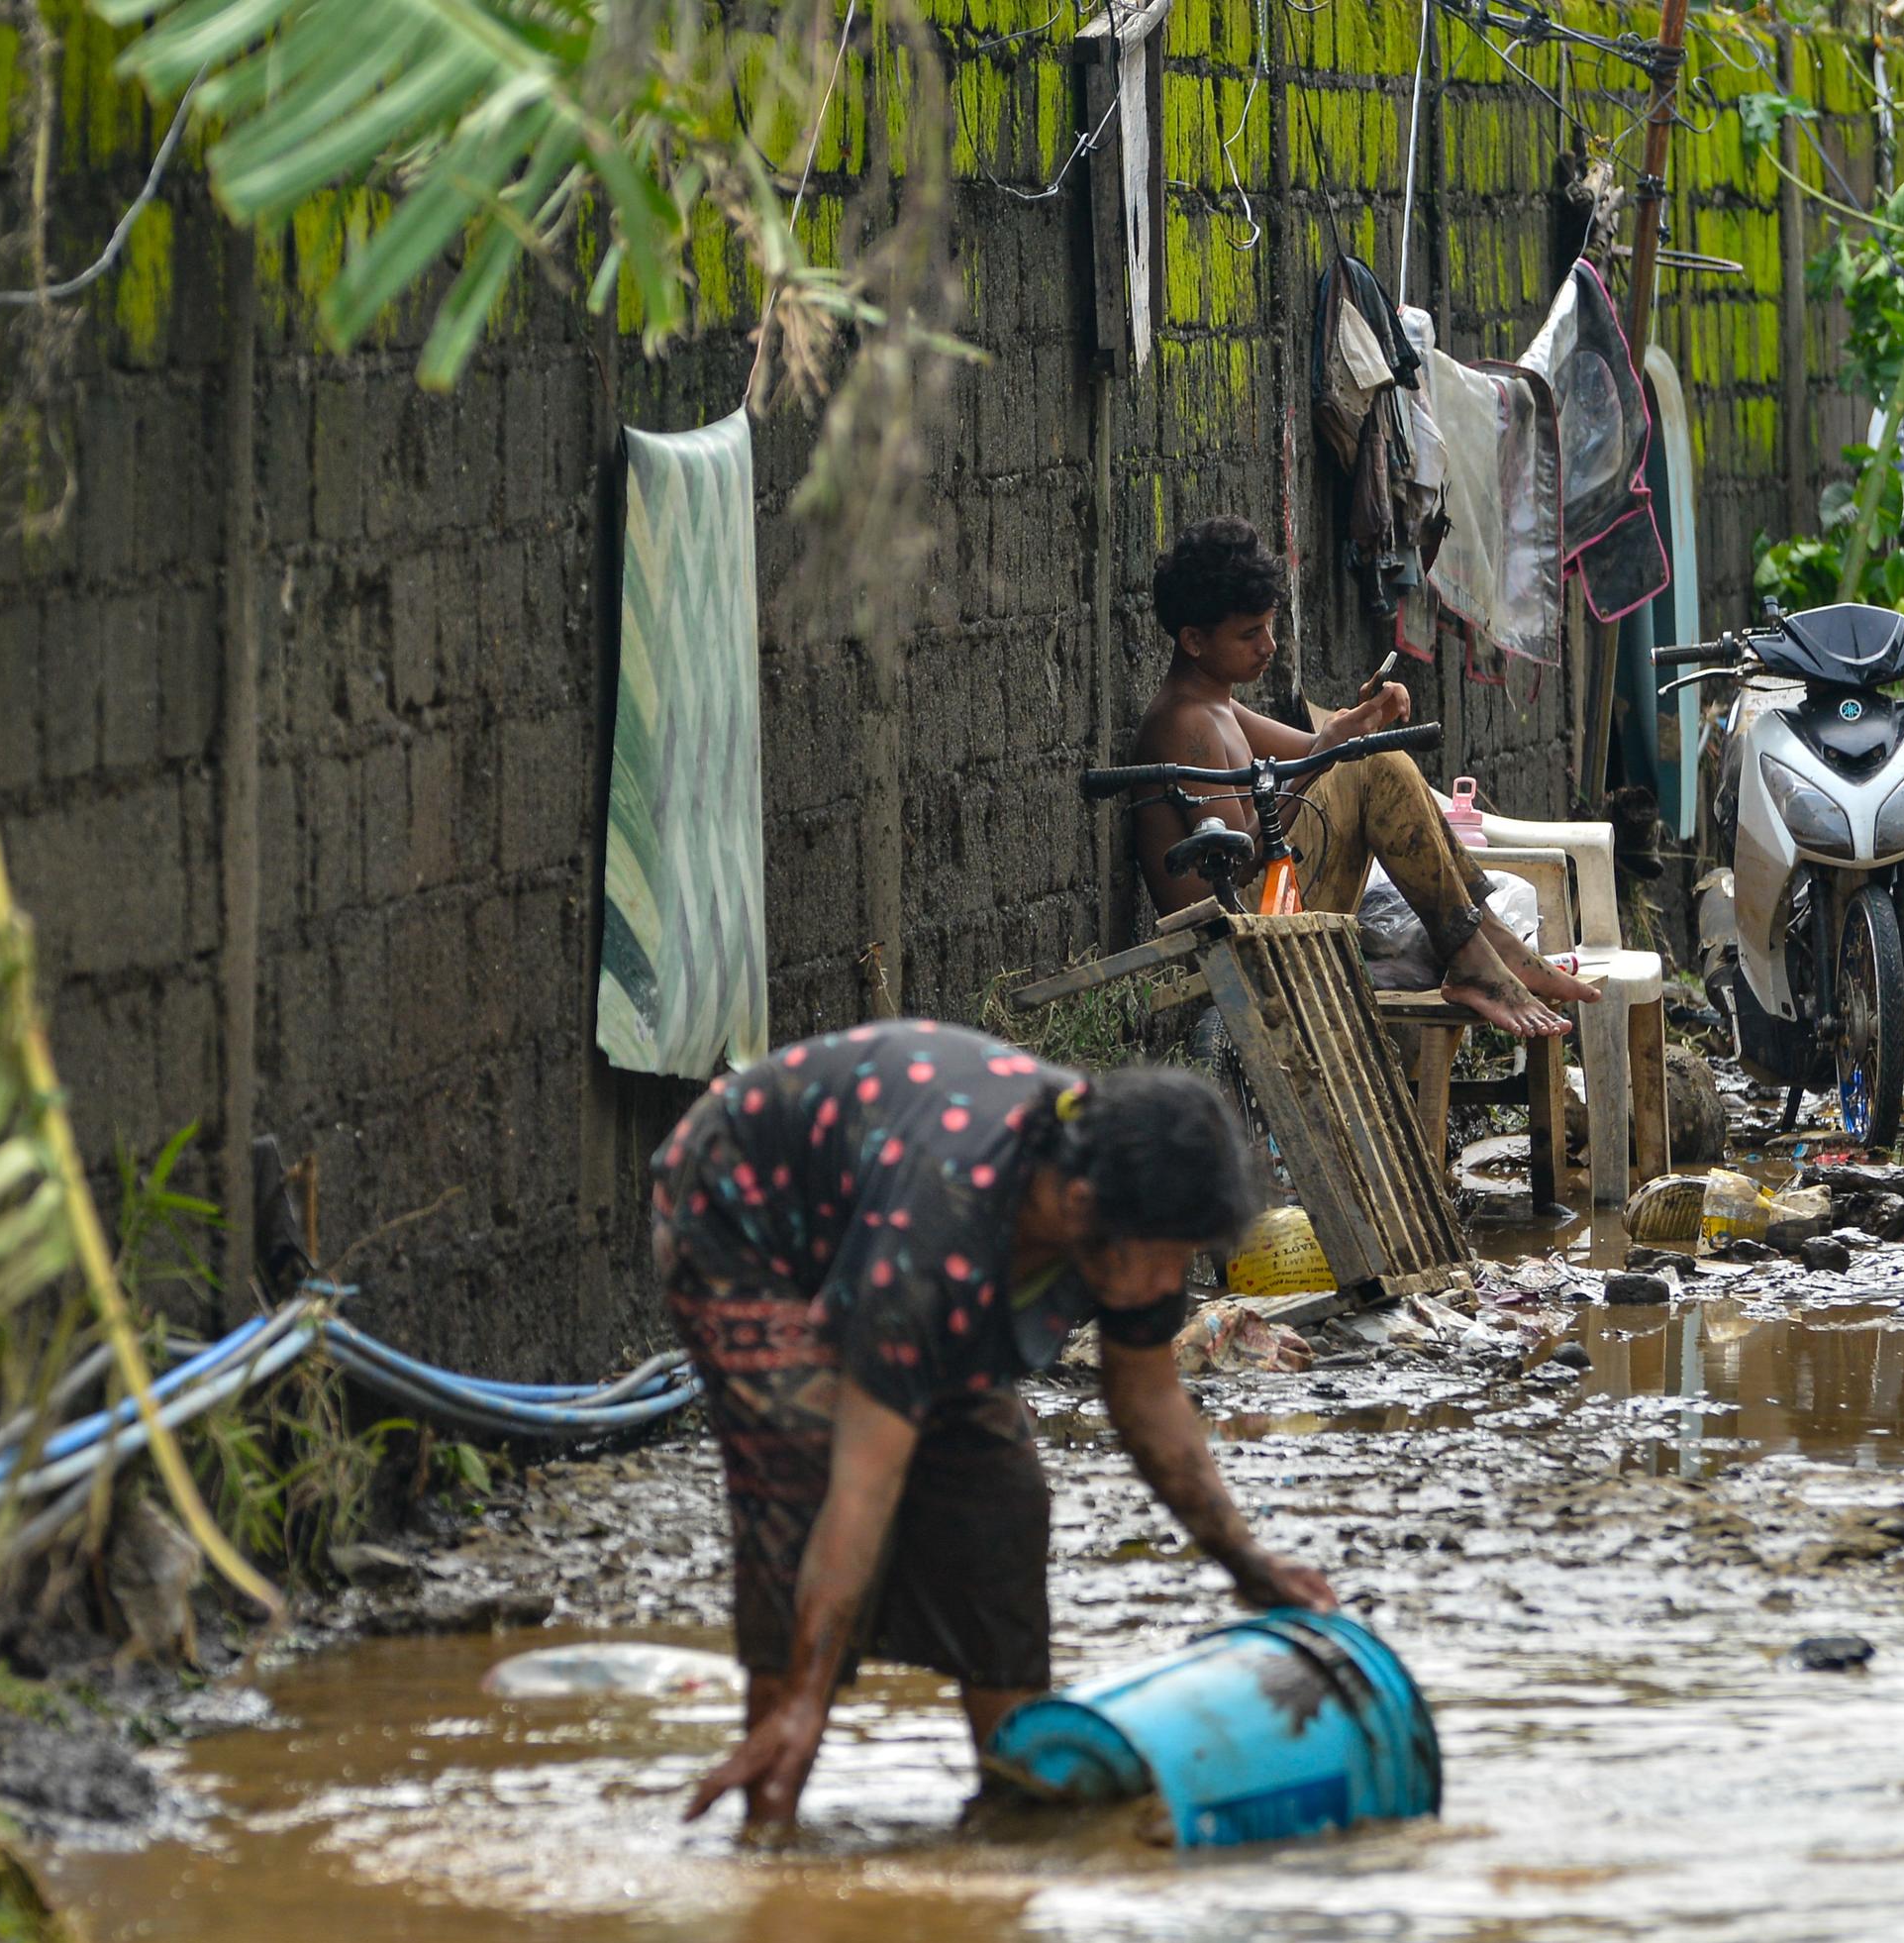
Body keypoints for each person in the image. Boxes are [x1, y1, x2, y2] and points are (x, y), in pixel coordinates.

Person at [653, 1020, 1336, 1828]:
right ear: (1081, 1205)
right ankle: (773, 1811)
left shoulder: (1133, 1214)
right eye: (1156, 1256)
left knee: (1004, 1501)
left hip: (891, 1227)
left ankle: (1020, 1808)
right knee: (798, 1478)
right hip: (745, 1214)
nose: (1164, 1281)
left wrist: (1245, 1560)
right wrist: (807, 1698)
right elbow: (862, 1486)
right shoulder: (944, 1222)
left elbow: (1148, 1400)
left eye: (1181, 1258)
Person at [1126, 517, 1598, 1040]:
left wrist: (1365, 715)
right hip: (1232, 938)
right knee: (1375, 766)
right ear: (1193, 640)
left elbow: (1312, 751)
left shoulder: (1218, 706)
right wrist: (1331, 753)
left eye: (1269, 626)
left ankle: (1484, 940)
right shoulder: (1185, 720)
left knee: (1372, 757)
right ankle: (1477, 951)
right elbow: (1237, 863)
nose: (1270, 646)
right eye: (1249, 634)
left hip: (1263, 912)